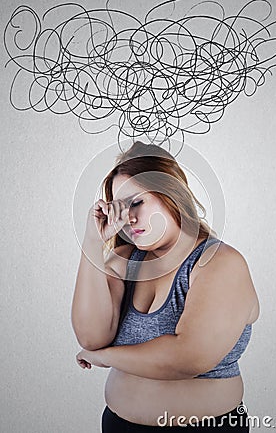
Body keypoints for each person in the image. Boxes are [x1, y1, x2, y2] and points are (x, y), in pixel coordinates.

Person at [71, 141, 259, 432]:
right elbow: (91, 336)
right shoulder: (125, 260)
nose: (128, 218)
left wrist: (105, 357)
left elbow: (188, 357)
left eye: (137, 202)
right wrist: (93, 244)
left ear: (170, 192)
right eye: (120, 208)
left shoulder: (219, 262)